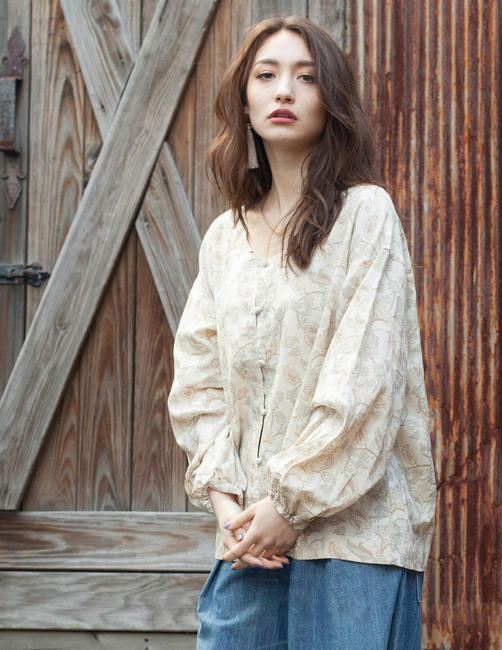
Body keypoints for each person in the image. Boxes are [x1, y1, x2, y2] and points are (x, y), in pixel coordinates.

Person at [167, 15, 437, 650]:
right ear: (245, 99)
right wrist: (228, 506)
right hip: (247, 542)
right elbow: (198, 385)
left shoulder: (365, 215)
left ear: (331, 99)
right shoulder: (226, 237)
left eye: (306, 77)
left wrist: (290, 505)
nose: (284, 90)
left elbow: (365, 382)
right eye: (266, 75)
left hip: (352, 543)